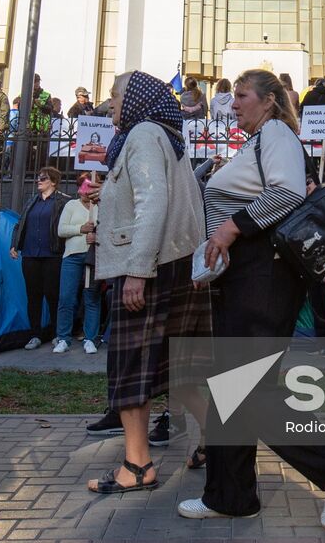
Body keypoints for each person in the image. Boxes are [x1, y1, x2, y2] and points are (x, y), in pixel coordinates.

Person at [180, 69, 325, 528]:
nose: (234, 103)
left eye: (242, 95)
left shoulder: (278, 133)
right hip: (245, 275)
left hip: (266, 275)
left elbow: (285, 192)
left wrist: (229, 228)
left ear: (267, 100)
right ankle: (229, 496)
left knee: (240, 389)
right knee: (232, 388)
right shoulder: (257, 140)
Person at [85, 70, 208, 494]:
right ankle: (218, 443)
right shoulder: (163, 137)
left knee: (130, 368)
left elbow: (152, 202)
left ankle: (137, 466)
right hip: (175, 262)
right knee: (181, 371)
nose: (111, 102)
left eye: (116, 94)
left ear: (135, 98)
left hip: (150, 267)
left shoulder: (141, 134)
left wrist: (138, 270)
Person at [9, 168, 66, 349]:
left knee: (52, 294)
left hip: (52, 255)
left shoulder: (62, 202)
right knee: (33, 296)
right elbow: (20, 224)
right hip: (31, 254)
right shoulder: (31, 202)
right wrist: (14, 244)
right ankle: (35, 334)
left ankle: (57, 333)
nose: (39, 180)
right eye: (38, 177)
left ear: (54, 182)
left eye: (43, 178)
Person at [54, 175, 102, 355]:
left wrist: (97, 237)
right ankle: (63, 338)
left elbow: (108, 229)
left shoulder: (100, 207)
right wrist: (80, 229)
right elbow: (61, 230)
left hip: (93, 257)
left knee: (91, 297)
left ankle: (90, 338)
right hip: (72, 257)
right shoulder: (71, 205)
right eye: (85, 186)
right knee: (66, 297)